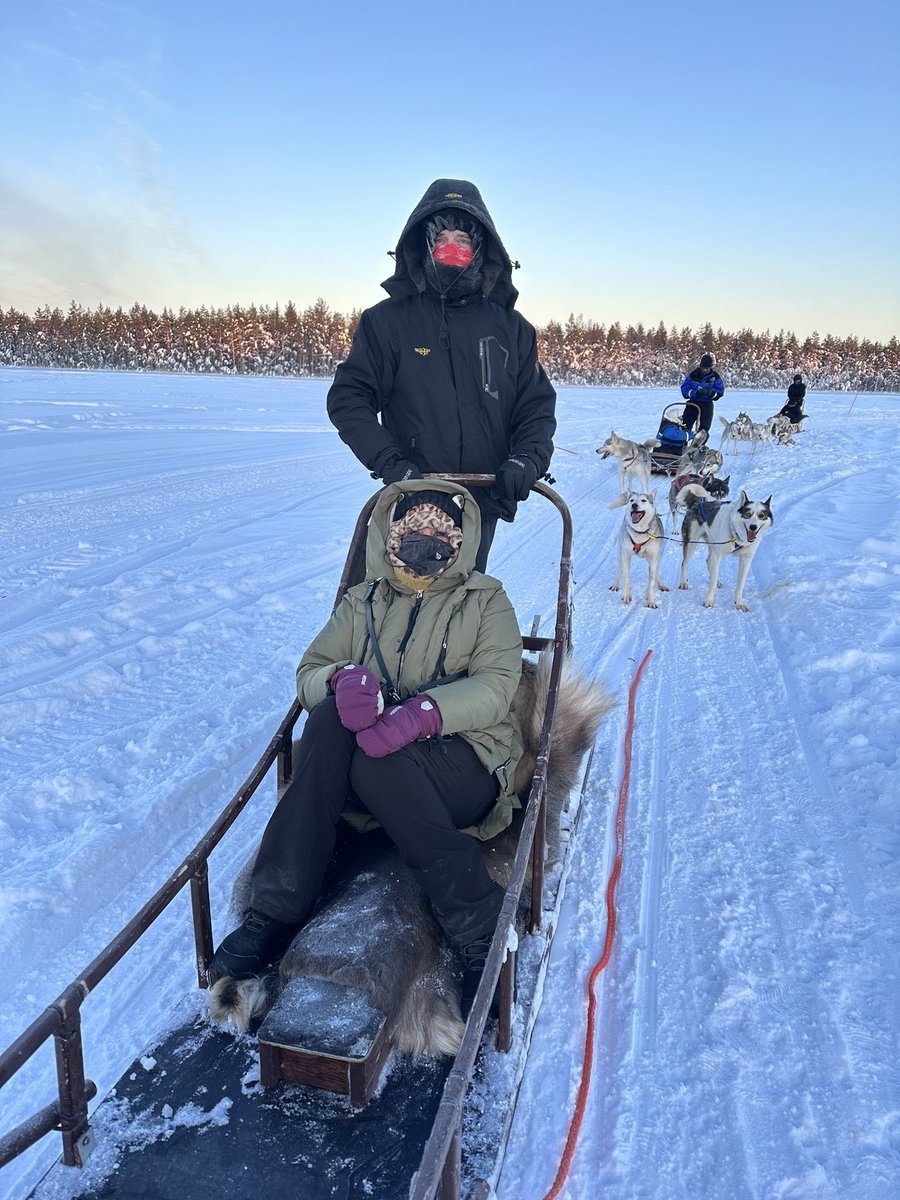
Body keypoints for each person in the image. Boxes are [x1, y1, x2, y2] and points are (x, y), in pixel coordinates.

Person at [209, 478, 523, 1018]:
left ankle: (477, 923)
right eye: (414, 528)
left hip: (460, 760)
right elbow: (309, 671)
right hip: (372, 757)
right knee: (330, 718)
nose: (426, 538)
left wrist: (425, 714)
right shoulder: (363, 601)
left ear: (458, 540)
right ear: (392, 537)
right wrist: (340, 681)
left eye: (440, 530)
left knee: (375, 758)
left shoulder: (485, 600)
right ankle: (277, 908)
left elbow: (496, 687)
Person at [326, 178, 557, 572]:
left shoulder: (512, 329)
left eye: (463, 239)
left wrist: (526, 460)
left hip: (480, 502)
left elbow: (534, 407)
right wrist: (392, 463)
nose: (452, 246)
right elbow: (349, 399)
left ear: (481, 249)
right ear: (425, 245)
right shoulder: (387, 322)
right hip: (409, 499)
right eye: (442, 237)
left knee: (458, 613)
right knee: (385, 610)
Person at [679, 352, 725, 435]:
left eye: (707, 368)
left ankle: (699, 445)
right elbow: (685, 390)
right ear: (700, 366)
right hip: (693, 403)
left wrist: (711, 393)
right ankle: (682, 444)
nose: (705, 370)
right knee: (685, 425)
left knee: (704, 428)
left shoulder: (715, 377)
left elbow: (720, 391)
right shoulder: (693, 375)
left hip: (706, 404)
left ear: (710, 367)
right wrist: (695, 393)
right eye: (703, 367)